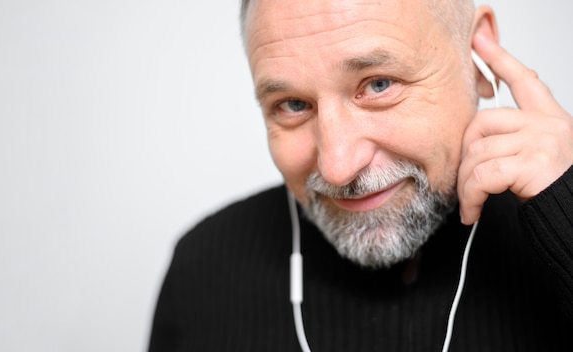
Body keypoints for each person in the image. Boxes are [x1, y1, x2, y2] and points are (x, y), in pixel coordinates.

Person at [149, 0, 573, 350]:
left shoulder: (562, 225)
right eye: (293, 105)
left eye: (378, 84)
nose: (337, 166)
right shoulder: (203, 271)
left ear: (478, 57)